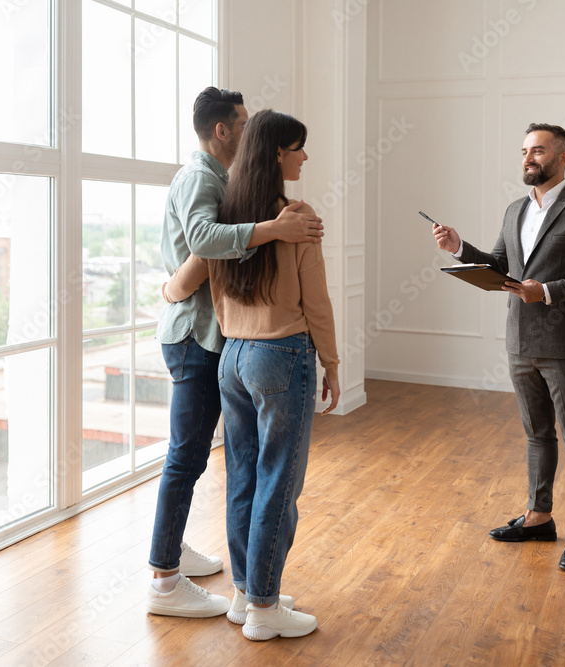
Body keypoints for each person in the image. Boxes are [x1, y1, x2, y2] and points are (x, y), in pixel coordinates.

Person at [146, 88, 324, 618]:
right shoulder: (203, 178)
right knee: (188, 455)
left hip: (221, 341)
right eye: (244, 124)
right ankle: (164, 578)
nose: (251, 133)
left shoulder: (224, 181)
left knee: (224, 462)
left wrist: (173, 287)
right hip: (197, 337)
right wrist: (275, 228)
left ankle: (216, 572)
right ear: (223, 130)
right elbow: (204, 240)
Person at [433, 123, 565, 572]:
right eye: (525, 151)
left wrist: (547, 291)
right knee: (536, 434)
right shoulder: (515, 209)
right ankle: (538, 518)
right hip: (519, 341)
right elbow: (499, 266)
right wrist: (459, 249)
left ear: (563, 157)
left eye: (538, 151)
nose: (528, 158)